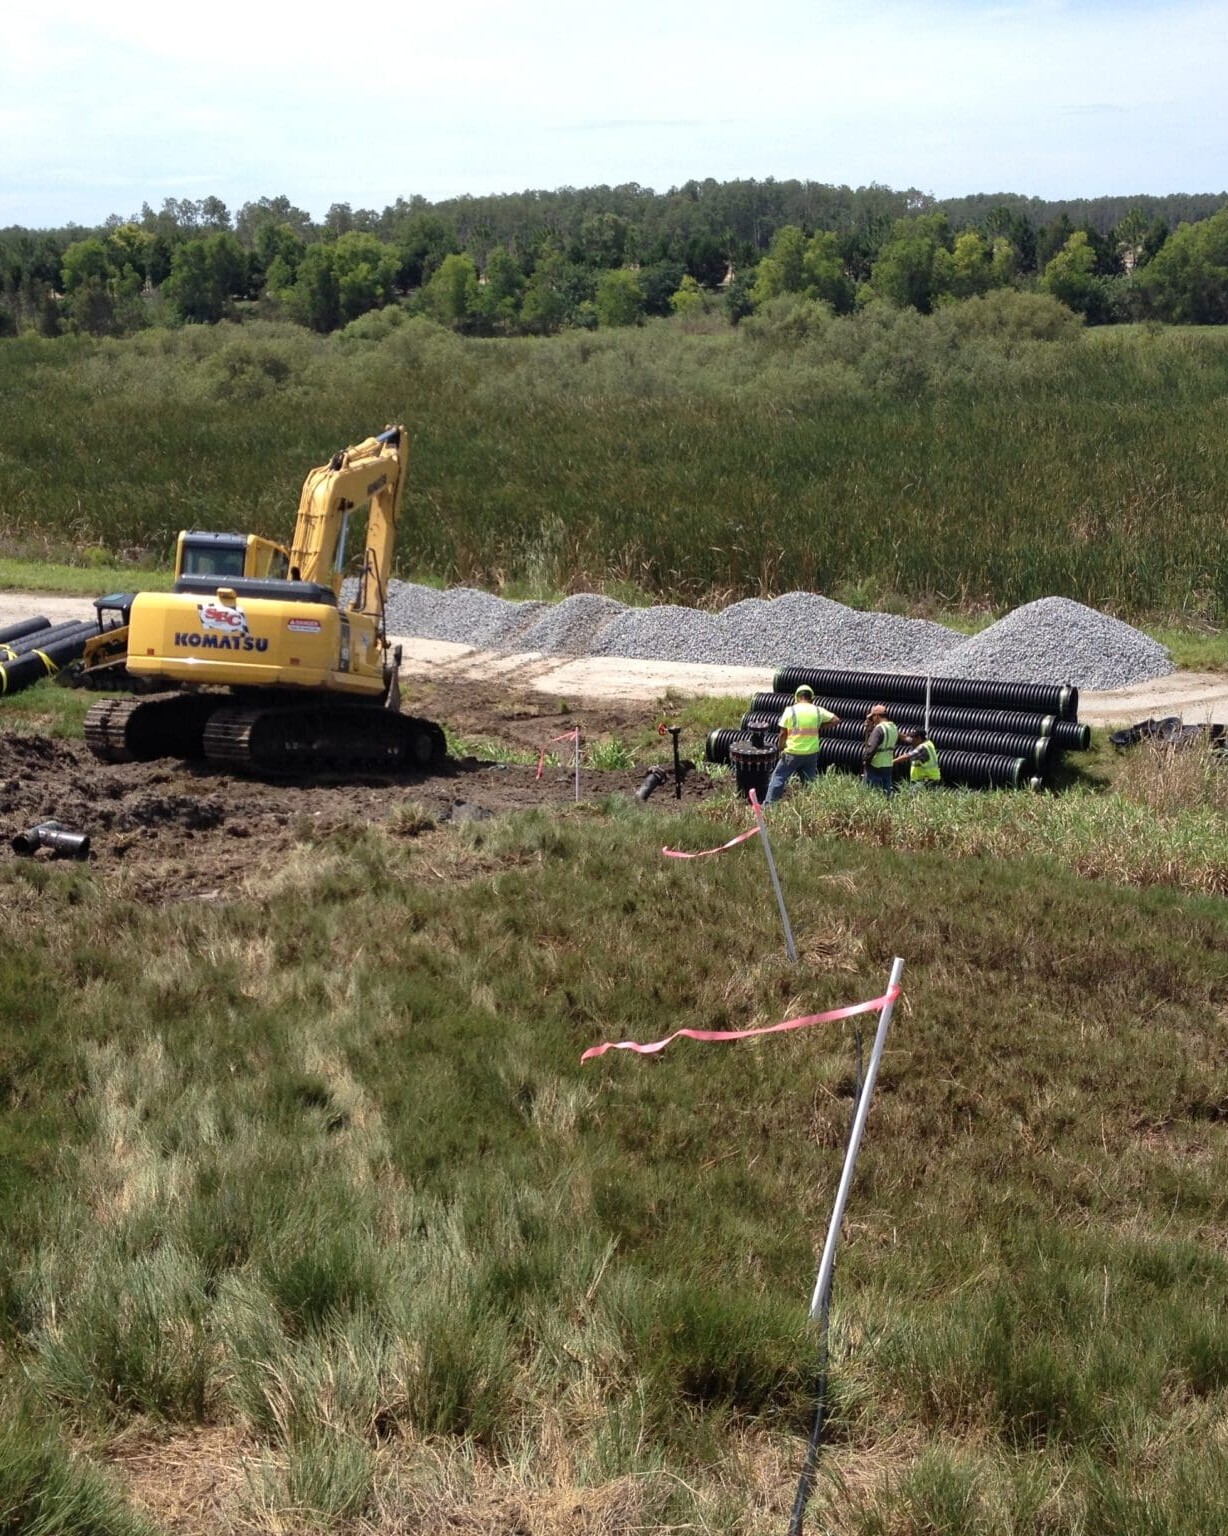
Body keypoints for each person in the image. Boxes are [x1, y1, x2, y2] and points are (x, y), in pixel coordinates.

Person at [764, 684, 840, 805]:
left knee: (778, 778)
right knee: (809, 782)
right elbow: (836, 720)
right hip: (811, 754)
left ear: (797, 697)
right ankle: (810, 807)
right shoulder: (817, 710)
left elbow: (782, 733)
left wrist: (781, 748)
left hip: (792, 753)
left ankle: (769, 806)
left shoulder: (790, 710)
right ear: (812, 698)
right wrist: (819, 727)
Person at [862, 704, 899, 795]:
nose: (872, 720)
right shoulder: (893, 728)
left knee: (872, 794)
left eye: (872, 717)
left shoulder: (879, 729)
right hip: (888, 764)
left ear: (877, 716)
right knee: (886, 793)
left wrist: (865, 760)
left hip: (875, 766)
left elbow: (871, 748)